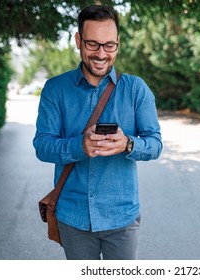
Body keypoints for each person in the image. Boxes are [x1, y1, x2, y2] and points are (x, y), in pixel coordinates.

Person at [33, 5, 163, 260]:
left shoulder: (136, 89)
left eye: (109, 45)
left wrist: (128, 144)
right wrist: (79, 147)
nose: (101, 54)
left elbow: (155, 144)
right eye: (92, 44)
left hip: (122, 218)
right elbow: (42, 145)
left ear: (118, 44)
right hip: (73, 217)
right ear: (78, 41)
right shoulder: (55, 89)